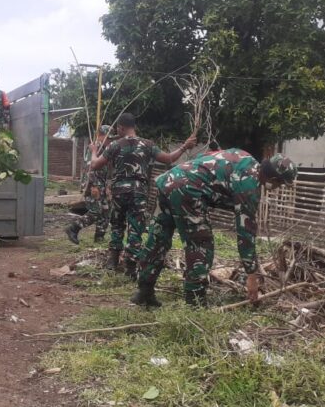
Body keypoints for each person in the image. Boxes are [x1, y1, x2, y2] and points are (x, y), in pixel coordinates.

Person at [132, 150, 297, 308]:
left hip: (169, 181)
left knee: (159, 237)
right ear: (274, 178)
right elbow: (245, 234)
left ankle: (144, 290)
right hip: (188, 190)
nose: (278, 187)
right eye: (280, 183)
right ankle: (194, 301)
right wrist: (251, 275)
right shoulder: (249, 186)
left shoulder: (245, 158)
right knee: (201, 244)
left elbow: (207, 158)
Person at [89, 113, 197, 278]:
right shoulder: (148, 144)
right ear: (134, 127)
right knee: (136, 228)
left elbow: (95, 165)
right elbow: (168, 159)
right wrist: (184, 147)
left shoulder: (115, 145)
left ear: (121, 127)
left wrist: (94, 151)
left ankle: (112, 261)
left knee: (117, 225)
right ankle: (131, 267)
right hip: (138, 192)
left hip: (119, 191)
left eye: (117, 127)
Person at [65, 124, 112, 244]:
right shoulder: (95, 148)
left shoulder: (106, 148)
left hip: (103, 185)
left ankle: (99, 238)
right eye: (108, 137)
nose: (110, 140)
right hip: (94, 185)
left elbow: (107, 170)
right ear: (101, 135)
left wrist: (107, 186)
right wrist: (94, 186)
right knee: (96, 211)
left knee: (106, 212)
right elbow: (90, 168)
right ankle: (74, 228)